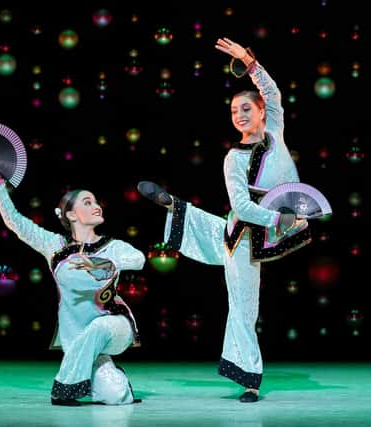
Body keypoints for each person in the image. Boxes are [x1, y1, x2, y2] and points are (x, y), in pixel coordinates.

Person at [137, 37, 310, 403]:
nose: (240, 115)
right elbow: (244, 209)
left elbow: (273, 91)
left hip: (275, 226)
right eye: (234, 111)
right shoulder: (233, 159)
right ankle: (248, 377)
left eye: (246, 108)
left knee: (220, 232)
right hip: (244, 235)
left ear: (262, 112)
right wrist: (282, 218)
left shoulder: (276, 133)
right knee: (244, 304)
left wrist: (249, 61)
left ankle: (177, 208)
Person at [0, 152, 145, 406]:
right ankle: (104, 374)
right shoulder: (55, 246)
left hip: (115, 327)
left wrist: (101, 262)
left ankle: (63, 389)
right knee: (115, 395)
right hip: (78, 341)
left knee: (99, 327)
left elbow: (138, 259)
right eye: (87, 202)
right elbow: (16, 222)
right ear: (70, 215)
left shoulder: (112, 246)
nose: (96, 205)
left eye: (96, 201)